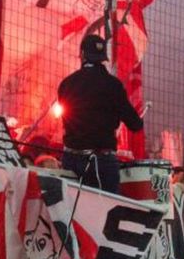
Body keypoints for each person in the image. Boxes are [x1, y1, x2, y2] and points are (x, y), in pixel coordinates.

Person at [55, 34, 143, 194]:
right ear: (103, 58)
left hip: (71, 158)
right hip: (101, 160)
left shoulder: (66, 84)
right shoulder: (113, 85)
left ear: (82, 54)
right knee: (105, 210)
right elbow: (135, 124)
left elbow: (65, 116)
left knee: (72, 211)